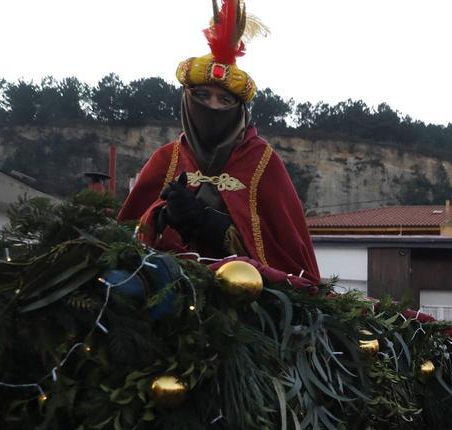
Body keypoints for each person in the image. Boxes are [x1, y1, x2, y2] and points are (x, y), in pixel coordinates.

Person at [118, 0, 319, 287]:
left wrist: (209, 222)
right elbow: (126, 239)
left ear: (240, 109)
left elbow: (287, 258)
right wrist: (162, 215)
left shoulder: (262, 162)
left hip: (248, 307)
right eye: (202, 96)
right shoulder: (167, 158)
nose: (212, 107)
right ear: (187, 101)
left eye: (224, 99)